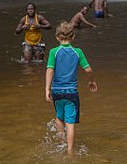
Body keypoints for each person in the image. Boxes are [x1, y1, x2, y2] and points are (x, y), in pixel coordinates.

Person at [45, 21, 98, 154]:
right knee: (70, 123)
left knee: (59, 117)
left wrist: (47, 88)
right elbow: (88, 69)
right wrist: (92, 81)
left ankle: (62, 142)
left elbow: (50, 70)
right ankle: (70, 151)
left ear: (57, 37)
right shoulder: (77, 52)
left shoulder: (53, 52)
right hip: (71, 92)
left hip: (56, 91)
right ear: (73, 37)